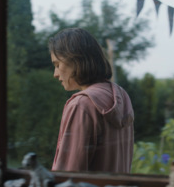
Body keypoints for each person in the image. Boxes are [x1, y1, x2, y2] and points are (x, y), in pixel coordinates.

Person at [48, 28, 134, 173]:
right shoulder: (121, 95)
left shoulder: (81, 105)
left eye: (57, 65)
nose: (55, 74)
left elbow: (68, 176)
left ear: (76, 60)